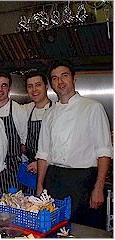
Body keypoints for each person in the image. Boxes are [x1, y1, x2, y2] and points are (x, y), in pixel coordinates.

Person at [36, 59, 112, 229]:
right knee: (54, 228)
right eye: (54, 78)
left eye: (64, 76)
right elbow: (43, 153)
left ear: (74, 79)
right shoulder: (50, 113)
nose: (60, 82)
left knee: (82, 230)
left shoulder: (92, 107)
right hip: (54, 179)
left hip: (82, 181)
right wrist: (40, 186)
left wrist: (98, 187)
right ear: (51, 84)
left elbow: (104, 150)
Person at [0, 71, 27, 194]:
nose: (0, 89)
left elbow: (24, 142)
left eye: (4, 85)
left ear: (10, 87)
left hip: (13, 169)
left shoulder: (19, 110)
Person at [22, 71, 52, 194]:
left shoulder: (55, 110)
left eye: (38, 85)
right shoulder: (27, 109)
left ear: (46, 87)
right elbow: (4, 103)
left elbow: (61, 146)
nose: (34, 89)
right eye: (30, 86)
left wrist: (40, 164)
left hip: (50, 172)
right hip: (30, 173)